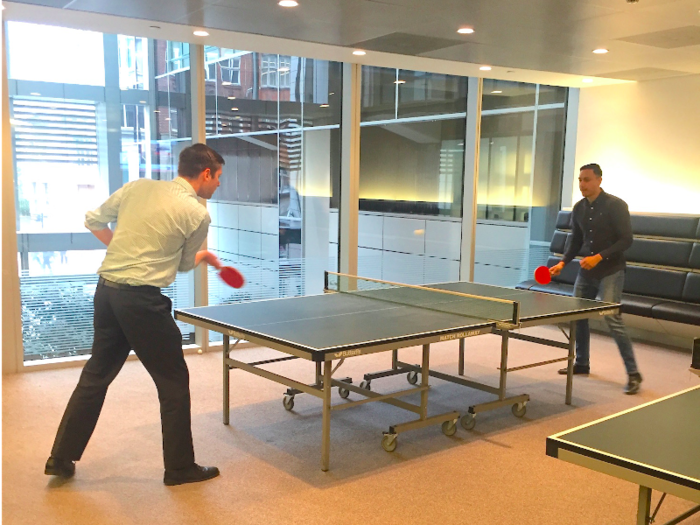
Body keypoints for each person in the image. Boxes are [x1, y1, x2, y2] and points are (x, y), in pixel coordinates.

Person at [45, 143, 225, 485]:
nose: (218, 185)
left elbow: (93, 220)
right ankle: (179, 468)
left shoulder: (138, 187)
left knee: (96, 374)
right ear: (205, 174)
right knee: (173, 382)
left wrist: (122, 251)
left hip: (108, 292)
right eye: (218, 178)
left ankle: (60, 457)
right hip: (143, 302)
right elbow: (185, 264)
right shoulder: (198, 214)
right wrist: (203, 256)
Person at [550, 163, 642, 395]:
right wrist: (563, 262)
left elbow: (626, 240)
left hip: (611, 269)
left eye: (587, 180)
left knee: (612, 319)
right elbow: (576, 240)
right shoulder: (579, 208)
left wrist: (599, 257)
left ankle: (633, 374)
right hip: (587, 270)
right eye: (580, 180)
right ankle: (582, 363)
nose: (582, 184)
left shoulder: (616, 206)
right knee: (578, 316)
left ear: (599, 180)